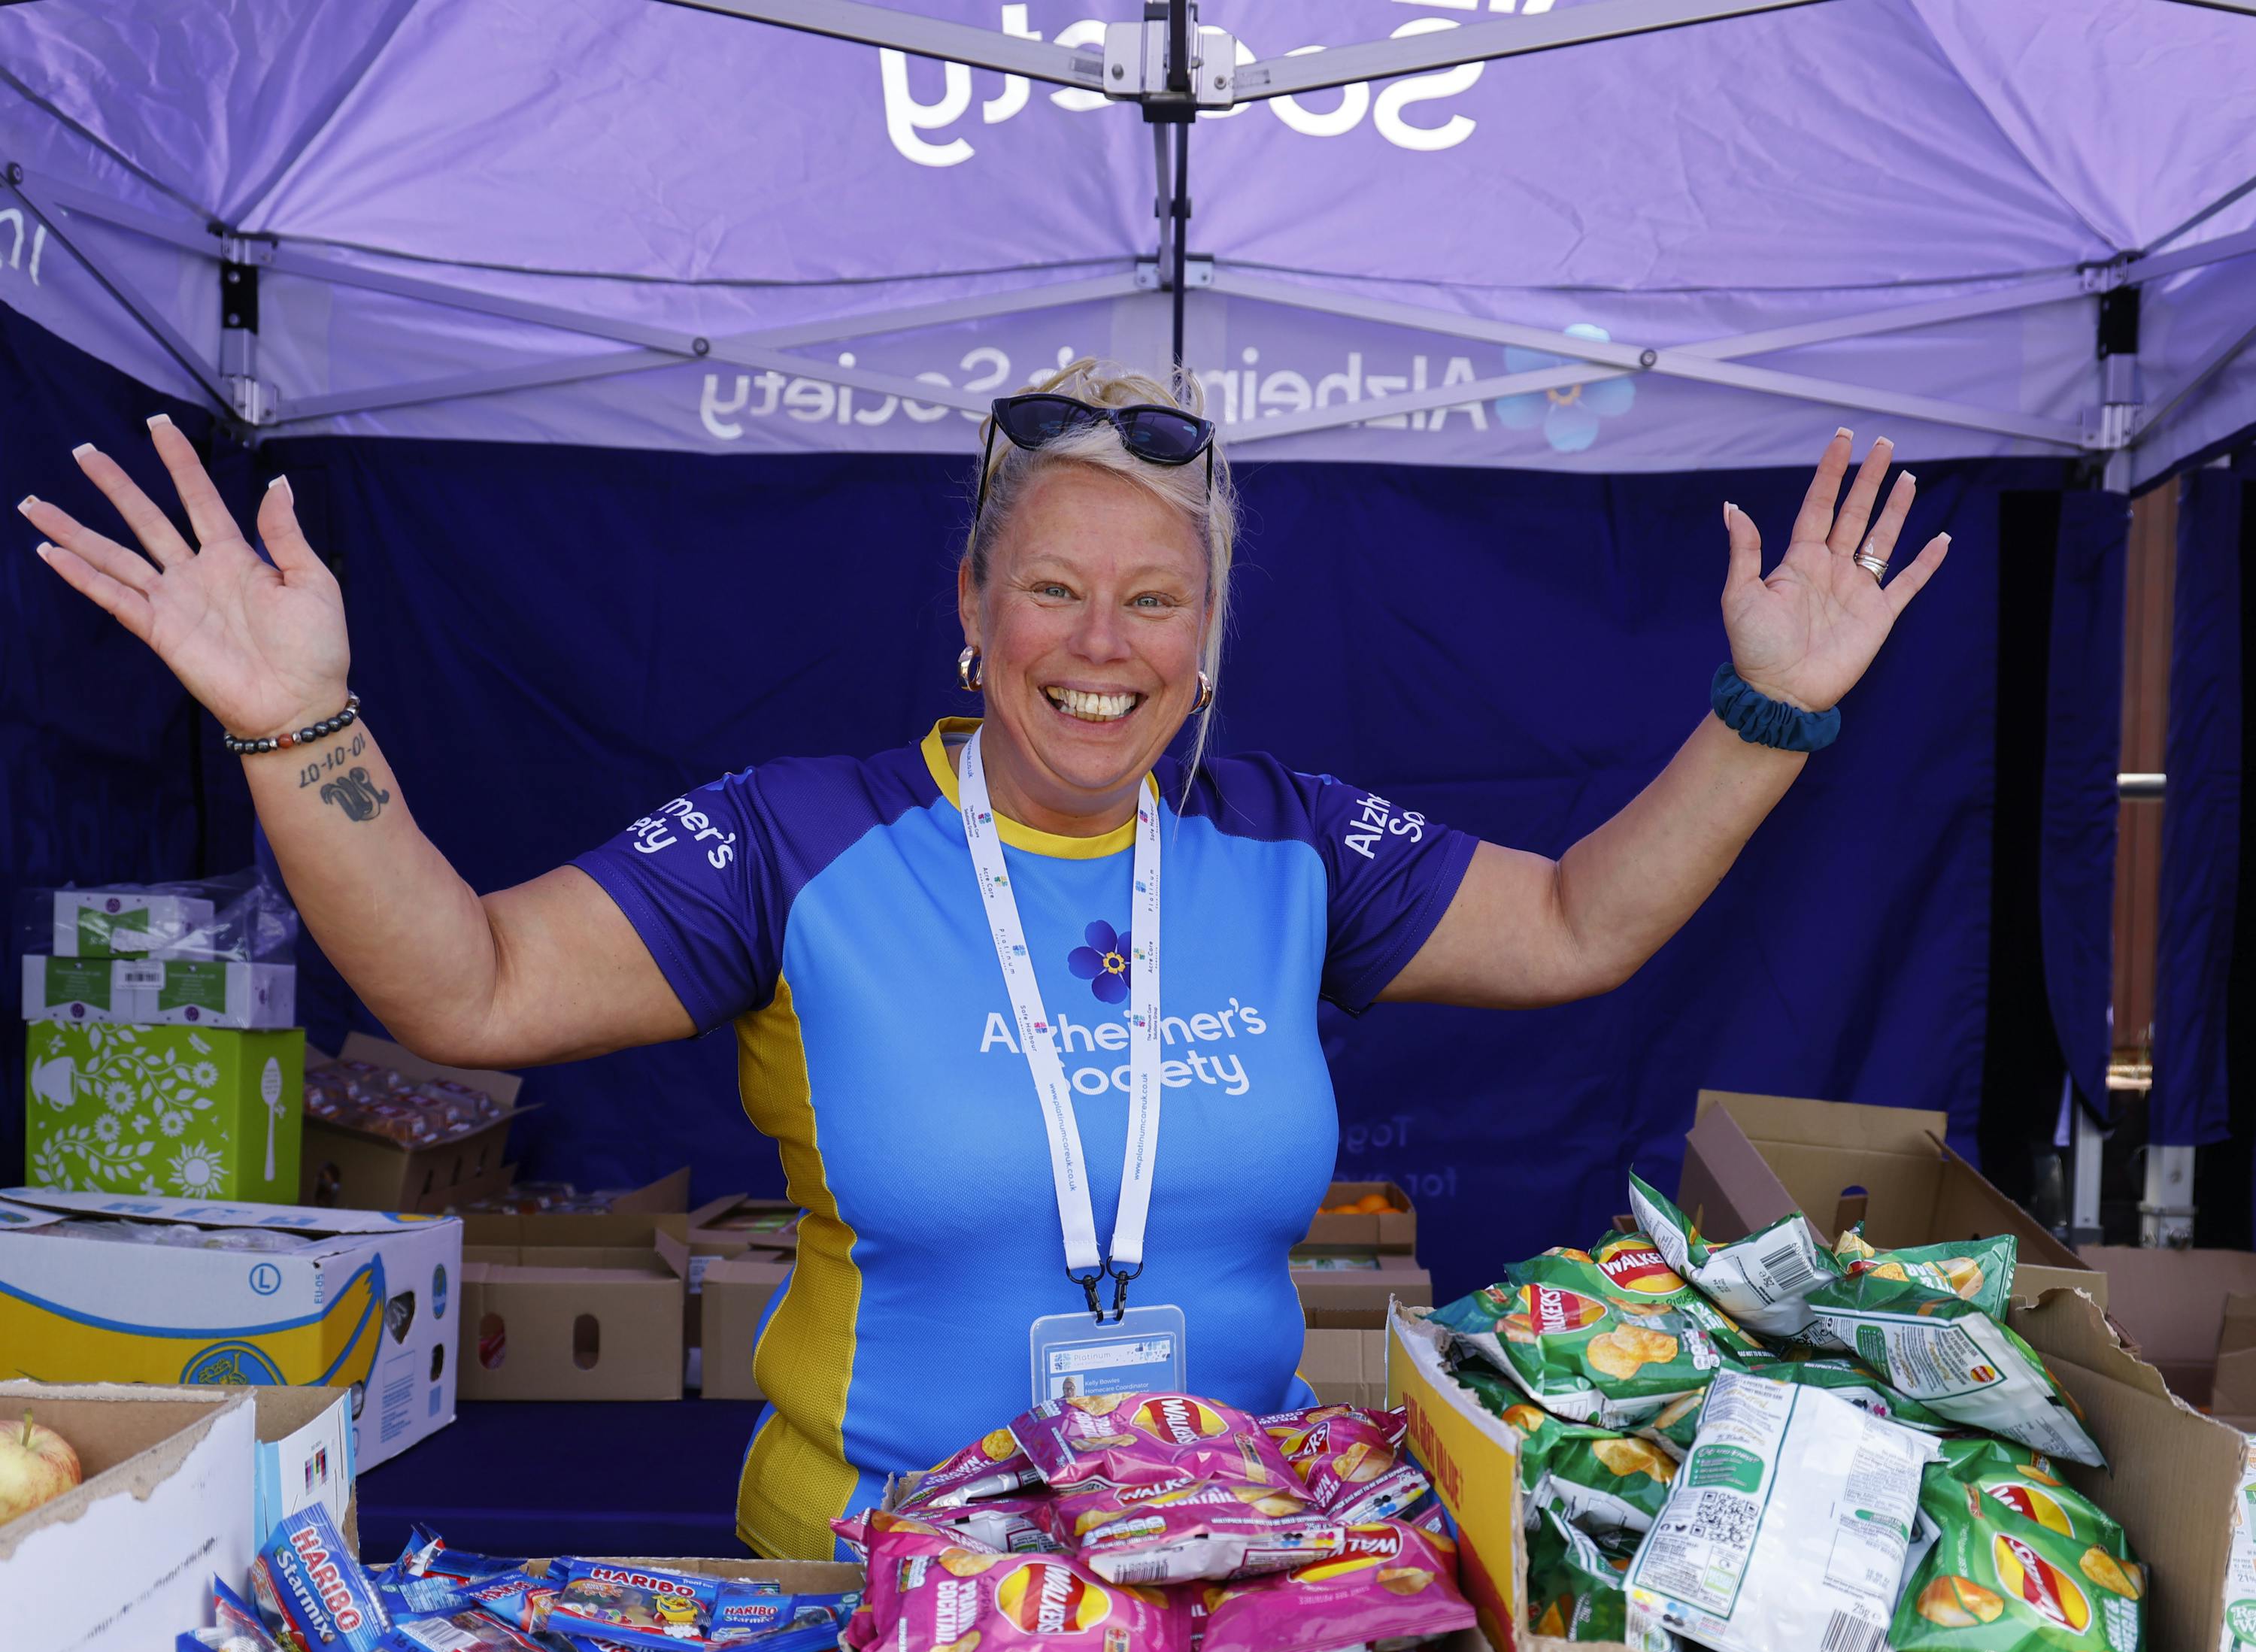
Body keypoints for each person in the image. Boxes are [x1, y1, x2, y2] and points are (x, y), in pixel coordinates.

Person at [23, 359, 1948, 1559]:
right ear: (971, 603)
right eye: (1053, 588)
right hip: (877, 1577)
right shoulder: (801, 841)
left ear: (1211, 632)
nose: (1102, 645)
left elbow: (1585, 922)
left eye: (1155, 598)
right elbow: (466, 987)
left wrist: (1769, 710)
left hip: (1226, 1577)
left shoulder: (1281, 841)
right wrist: (296, 726)